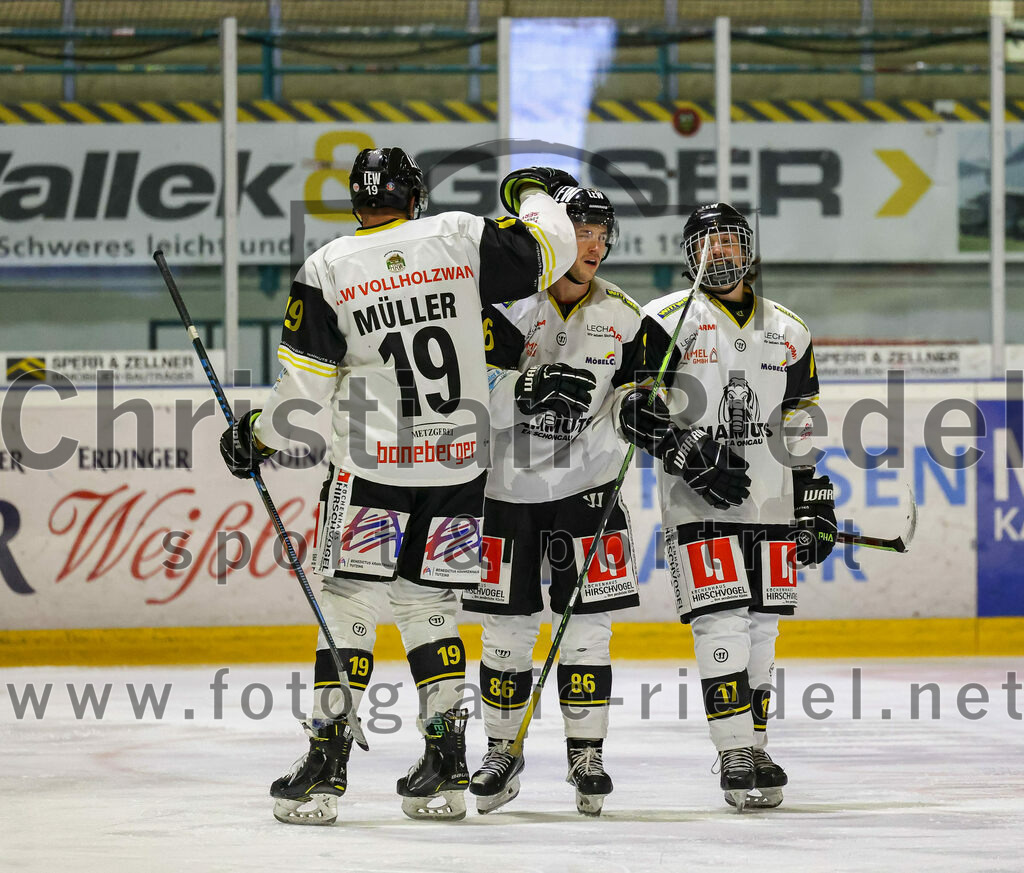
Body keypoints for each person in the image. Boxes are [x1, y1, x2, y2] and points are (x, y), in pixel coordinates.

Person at [219, 147, 578, 825]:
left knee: (349, 600)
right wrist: (534, 192)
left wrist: (256, 437)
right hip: (458, 468)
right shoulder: (458, 237)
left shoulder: (326, 268)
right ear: (414, 195)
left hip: (374, 468)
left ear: (357, 202)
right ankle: (445, 763)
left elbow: (302, 391)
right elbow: (553, 244)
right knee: (430, 603)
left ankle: (326, 766)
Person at [619, 202, 836, 811]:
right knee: (720, 621)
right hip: (697, 499)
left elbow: (800, 421)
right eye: (706, 243)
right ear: (690, 255)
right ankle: (734, 750)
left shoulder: (791, 329)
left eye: (729, 242)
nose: (719, 252)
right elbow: (632, 407)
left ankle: (756, 744)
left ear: (748, 251)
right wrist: (689, 451)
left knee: (763, 628)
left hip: (769, 499)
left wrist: (813, 493)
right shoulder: (664, 319)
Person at [462, 186, 667, 817]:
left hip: (589, 492)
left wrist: (647, 408)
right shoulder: (499, 309)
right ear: (554, 238)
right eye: (582, 231)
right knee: (504, 634)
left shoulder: (630, 319)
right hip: (505, 491)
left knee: (587, 633)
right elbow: (464, 392)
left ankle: (587, 753)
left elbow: (661, 389)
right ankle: (502, 749)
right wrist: (524, 389)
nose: (595, 245)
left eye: (603, 233)